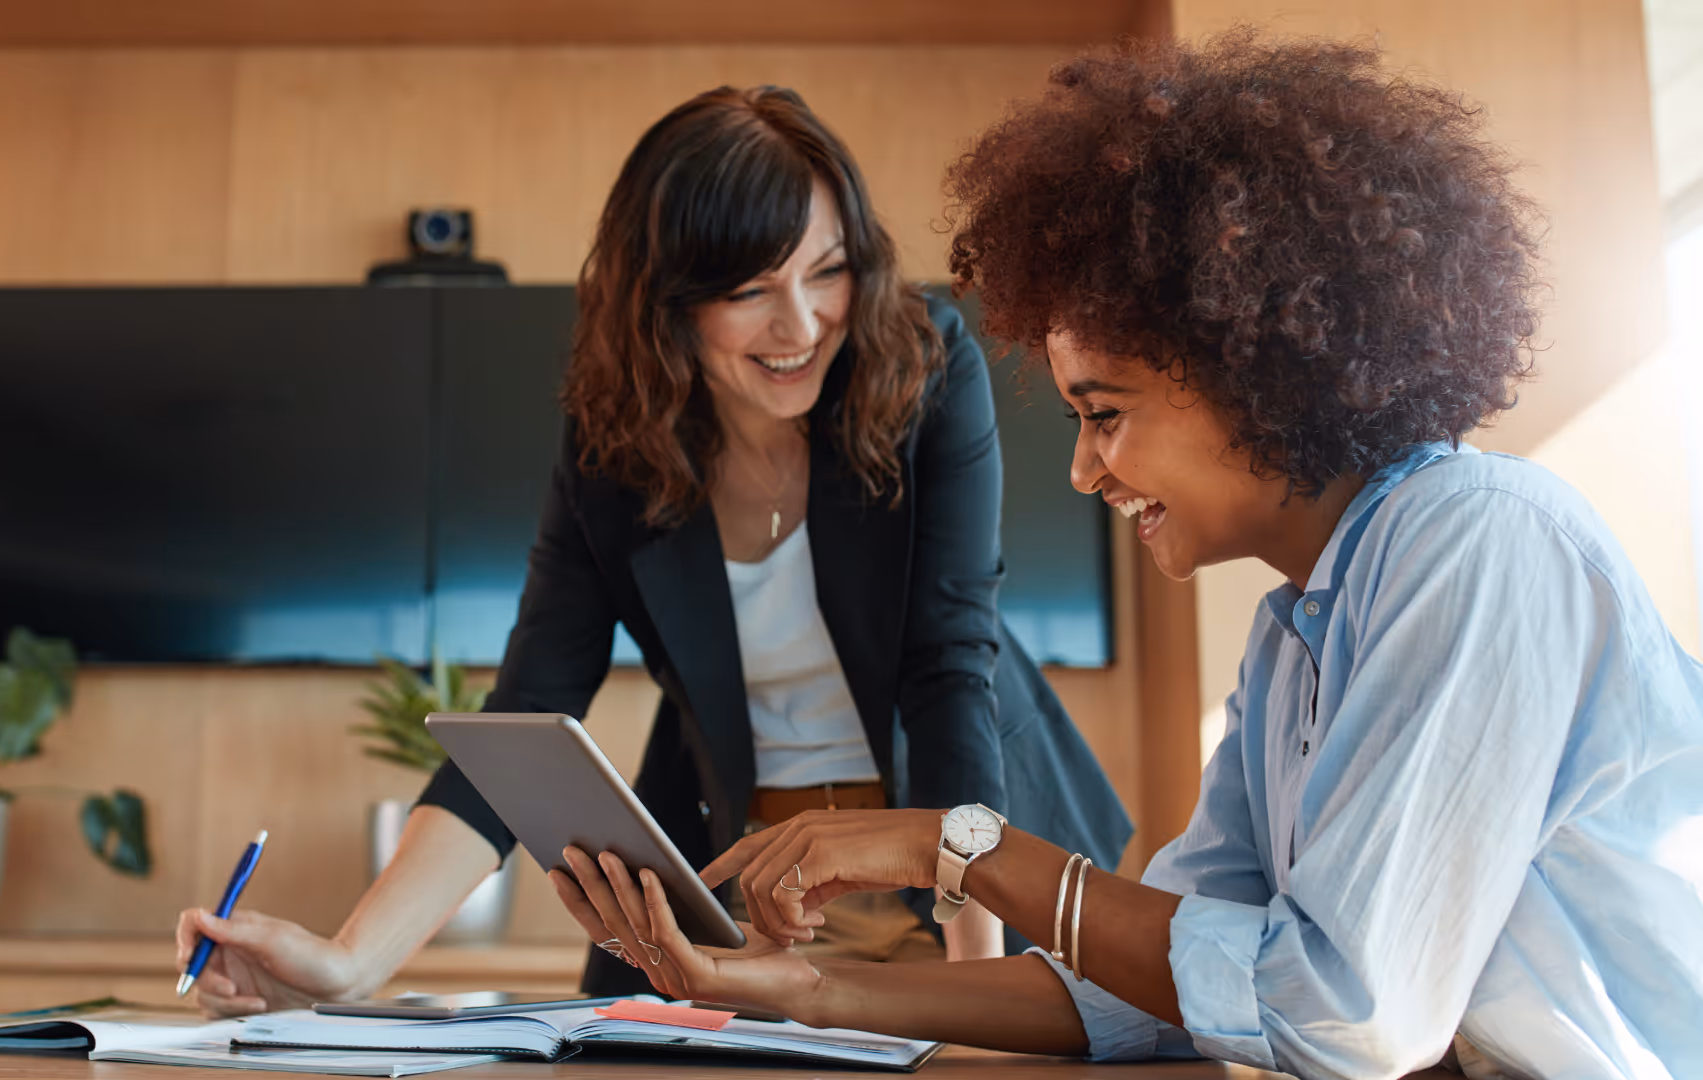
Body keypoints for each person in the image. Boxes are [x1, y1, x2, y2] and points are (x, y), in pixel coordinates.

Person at [550, 33, 1703, 1080]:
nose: (1085, 470)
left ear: (1252, 367)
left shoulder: (1478, 540)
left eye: (1104, 413)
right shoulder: (1294, 639)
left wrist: (960, 846)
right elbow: (1155, 993)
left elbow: (1346, 1012)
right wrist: (806, 990)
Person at [176, 85, 1130, 1014]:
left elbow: (947, 666)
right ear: (668, 303)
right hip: (751, 898)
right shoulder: (615, 443)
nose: (801, 325)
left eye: (827, 270)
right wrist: (346, 964)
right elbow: (529, 711)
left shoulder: (923, 366)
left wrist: (976, 988)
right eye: (751, 290)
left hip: (966, 877)